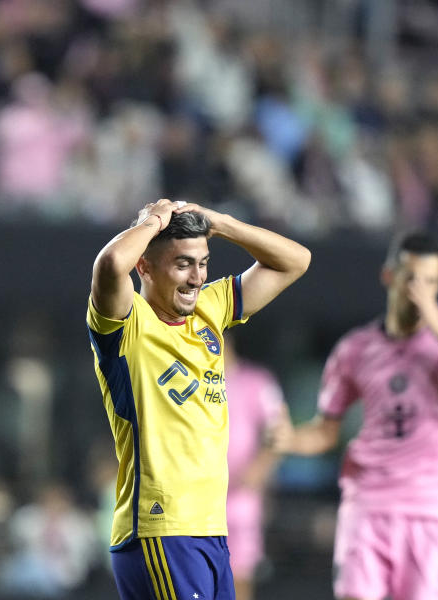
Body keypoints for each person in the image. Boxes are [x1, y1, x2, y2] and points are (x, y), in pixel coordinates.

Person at [87, 199, 310, 600]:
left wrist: (221, 224)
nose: (196, 277)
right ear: (145, 267)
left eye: (203, 262)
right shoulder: (128, 324)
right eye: (183, 264)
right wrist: (155, 221)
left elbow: (295, 261)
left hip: (210, 528)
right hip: (161, 528)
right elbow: (108, 265)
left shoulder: (211, 307)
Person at [272, 232, 438, 600]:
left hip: (433, 507)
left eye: (430, 282)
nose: (420, 291)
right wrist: (290, 439)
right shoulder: (355, 349)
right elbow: (326, 431)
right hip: (369, 499)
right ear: (389, 275)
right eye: (412, 278)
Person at [223, 335, 287, 600]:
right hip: (197, 497)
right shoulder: (188, 382)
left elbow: (279, 428)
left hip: (240, 499)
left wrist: (260, 468)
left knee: (239, 575)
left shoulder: (256, 381)